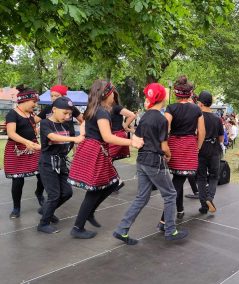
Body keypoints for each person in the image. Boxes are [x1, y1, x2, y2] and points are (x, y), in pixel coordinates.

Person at [113, 83, 188, 245]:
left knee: (141, 197)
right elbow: (164, 146)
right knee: (170, 194)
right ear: (162, 97)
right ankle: (170, 230)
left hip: (141, 160)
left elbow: (139, 140)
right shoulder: (161, 119)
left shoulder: (145, 116)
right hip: (154, 161)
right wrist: (169, 155)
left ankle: (122, 229)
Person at [68, 80, 144, 239]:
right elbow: (108, 137)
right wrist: (132, 141)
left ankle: (88, 214)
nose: (114, 96)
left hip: (92, 149)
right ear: (107, 94)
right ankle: (78, 227)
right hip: (95, 151)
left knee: (113, 183)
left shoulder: (93, 108)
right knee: (95, 190)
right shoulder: (102, 111)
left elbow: (88, 128)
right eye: (113, 93)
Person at [159, 75, 205, 224]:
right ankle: (166, 218)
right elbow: (202, 132)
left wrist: (164, 145)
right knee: (178, 180)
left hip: (174, 145)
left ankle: (178, 210)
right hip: (190, 145)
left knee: (177, 178)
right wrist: (197, 147)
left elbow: (164, 127)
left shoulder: (170, 108)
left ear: (175, 94)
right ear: (190, 94)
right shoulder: (197, 110)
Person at [37, 97, 84, 234]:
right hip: (47, 163)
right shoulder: (45, 123)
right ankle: (43, 223)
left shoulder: (66, 124)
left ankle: (46, 210)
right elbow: (53, 137)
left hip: (61, 162)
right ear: (54, 109)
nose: (68, 116)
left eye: (70, 114)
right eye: (65, 113)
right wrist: (74, 139)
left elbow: (69, 143)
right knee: (54, 194)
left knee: (67, 192)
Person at [4, 85, 43, 218]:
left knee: (42, 174)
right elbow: (11, 133)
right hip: (17, 150)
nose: (35, 104)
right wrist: (26, 142)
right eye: (34, 101)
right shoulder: (12, 114)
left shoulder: (30, 114)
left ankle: (39, 193)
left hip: (33, 148)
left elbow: (34, 121)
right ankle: (16, 207)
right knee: (18, 180)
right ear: (25, 100)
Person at [194, 91, 224, 214]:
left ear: (200, 103)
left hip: (200, 149)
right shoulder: (217, 119)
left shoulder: (197, 117)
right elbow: (221, 138)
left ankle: (204, 206)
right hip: (214, 149)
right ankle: (210, 198)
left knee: (201, 178)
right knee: (214, 176)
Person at [35, 85, 84, 153]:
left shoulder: (71, 107)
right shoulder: (47, 109)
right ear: (54, 110)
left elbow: (83, 120)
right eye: (52, 96)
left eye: (56, 96)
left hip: (69, 139)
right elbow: (34, 120)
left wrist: (82, 133)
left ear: (64, 96)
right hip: (53, 142)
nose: (54, 98)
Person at [108, 92, 136, 192]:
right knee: (107, 160)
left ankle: (116, 182)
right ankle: (113, 182)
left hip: (117, 135)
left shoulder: (116, 108)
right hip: (112, 136)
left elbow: (132, 115)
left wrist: (125, 125)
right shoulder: (107, 109)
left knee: (107, 159)